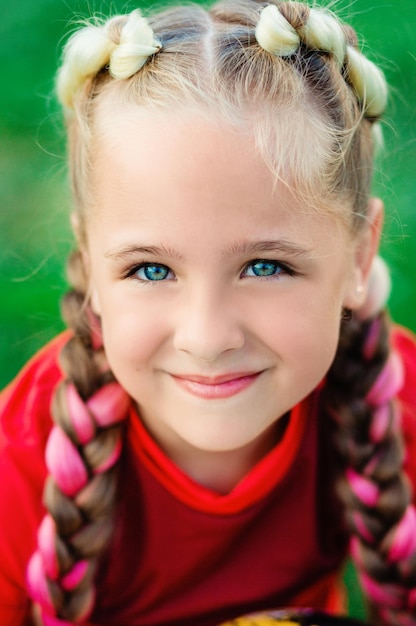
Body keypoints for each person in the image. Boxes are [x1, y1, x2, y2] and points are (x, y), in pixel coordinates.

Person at [1, 0, 416, 624]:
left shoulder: (395, 401)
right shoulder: (21, 463)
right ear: (89, 265)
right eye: (151, 270)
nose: (206, 337)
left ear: (359, 257)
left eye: (266, 267)